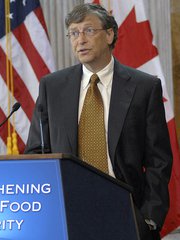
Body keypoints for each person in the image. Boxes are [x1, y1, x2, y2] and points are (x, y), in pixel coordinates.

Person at [25, 3, 172, 240]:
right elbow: (36, 152)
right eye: (73, 33)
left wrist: (149, 218)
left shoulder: (144, 87)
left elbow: (159, 160)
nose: (80, 40)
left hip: (126, 211)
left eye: (88, 31)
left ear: (110, 34)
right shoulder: (52, 87)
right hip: (66, 213)